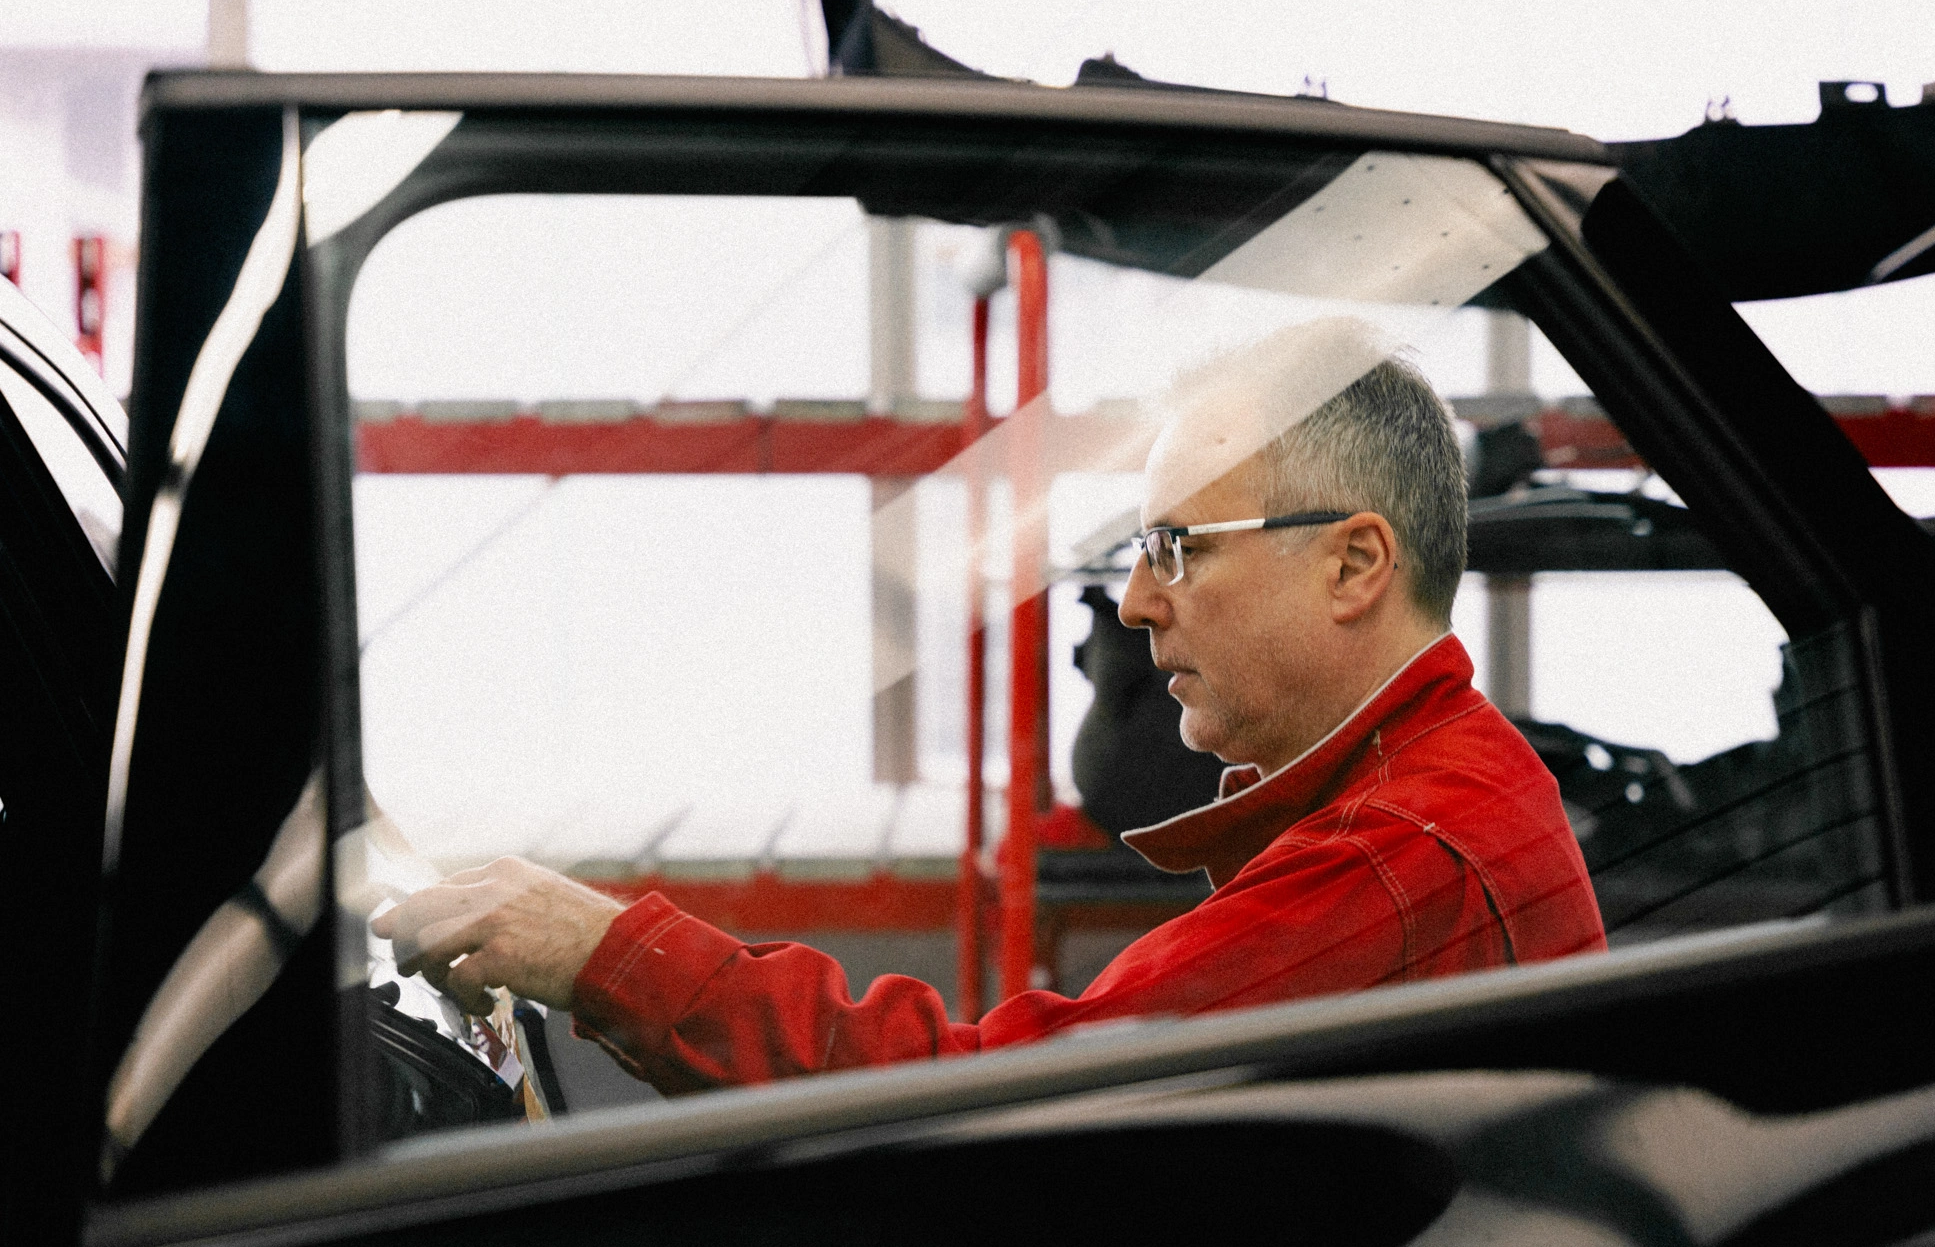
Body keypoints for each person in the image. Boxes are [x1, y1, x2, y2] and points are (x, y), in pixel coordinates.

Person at [373, 319, 1606, 1093]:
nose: (1131, 603)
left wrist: (612, 956)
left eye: (1177, 547)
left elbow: (1001, 1106)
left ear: (1351, 565)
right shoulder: (1445, 791)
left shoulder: (1392, 866)